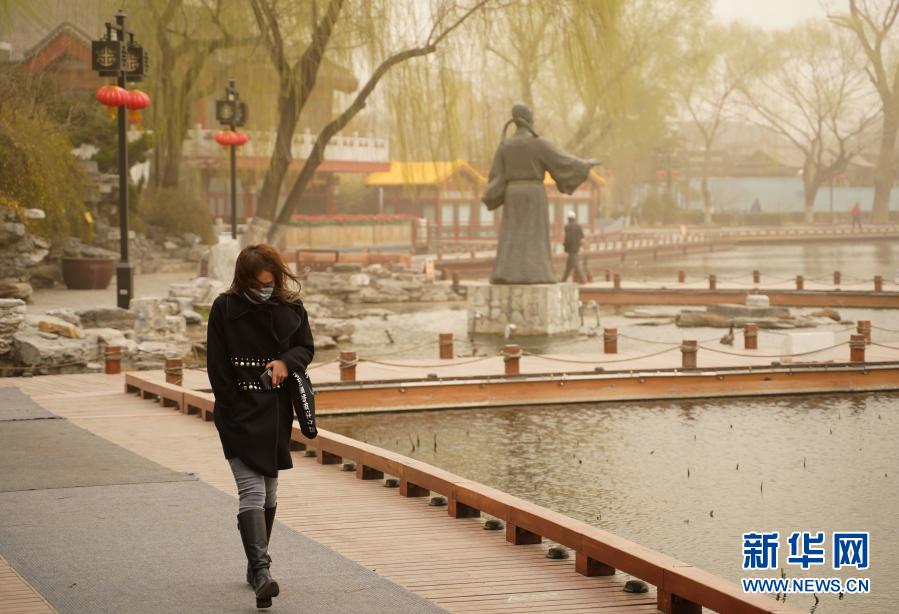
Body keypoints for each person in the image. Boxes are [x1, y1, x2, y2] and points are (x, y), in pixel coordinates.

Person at [206, 244, 314, 609]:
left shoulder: (291, 307)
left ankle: (255, 569)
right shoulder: (224, 308)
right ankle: (262, 572)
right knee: (251, 490)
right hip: (238, 412)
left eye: (270, 283)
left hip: (276, 413)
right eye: (258, 284)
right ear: (244, 280)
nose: (265, 290)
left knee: (269, 493)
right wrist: (231, 411)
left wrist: (285, 362)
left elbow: (306, 348)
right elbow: (217, 367)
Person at [482, 103, 599, 284]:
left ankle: (507, 272)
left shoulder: (505, 146)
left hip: (513, 195)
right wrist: (585, 164)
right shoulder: (538, 144)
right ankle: (537, 273)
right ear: (529, 119)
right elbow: (563, 161)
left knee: (512, 234)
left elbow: (496, 176)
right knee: (534, 234)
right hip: (533, 194)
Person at [561, 210, 587, 283]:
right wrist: (583, 246)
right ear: (574, 218)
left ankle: (583, 279)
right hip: (577, 248)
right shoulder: (578, 226)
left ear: (568, 218)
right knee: (568, 266)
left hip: (571, 249)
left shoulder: (567, 227)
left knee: (576, 265)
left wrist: (565, 246)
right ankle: (563, 279)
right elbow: (582, 238)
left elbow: (567, 239)